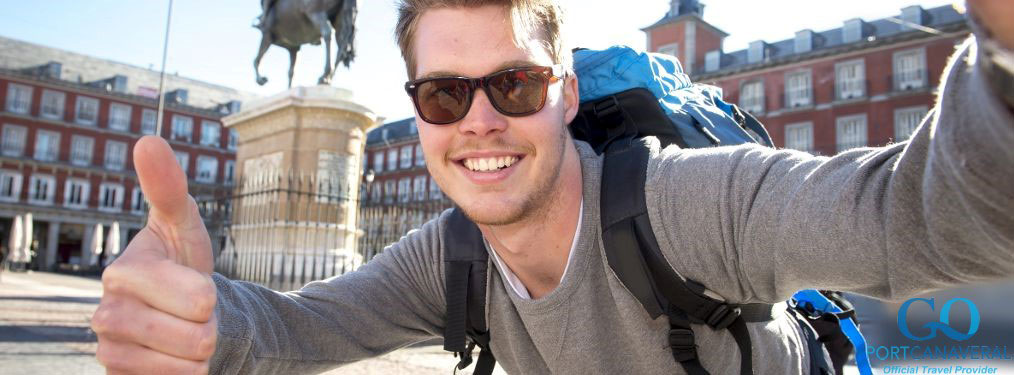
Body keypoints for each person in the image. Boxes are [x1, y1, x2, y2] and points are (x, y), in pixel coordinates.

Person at [91, 0, 1014, 373]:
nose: (481, 121)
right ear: (418, 115)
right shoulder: (449, 255)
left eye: (516, 84)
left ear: (564, 94)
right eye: (447, 93)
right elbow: (299, 328)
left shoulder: (693, 206)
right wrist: (208, 326)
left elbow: (920, 221)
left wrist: (1004, 58)